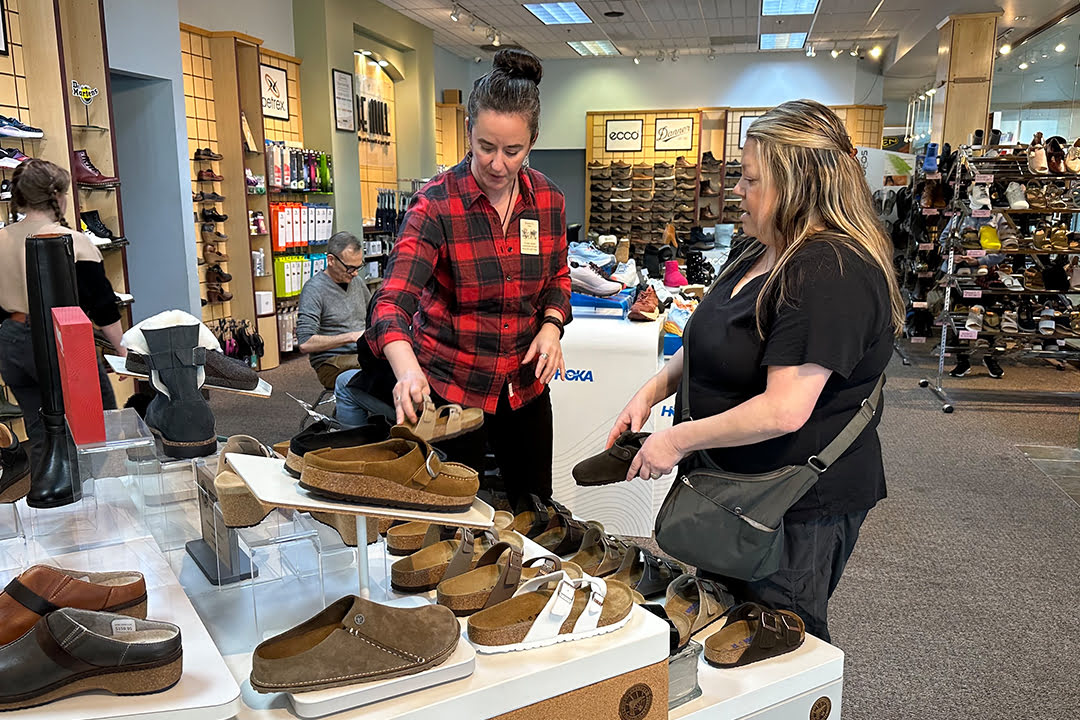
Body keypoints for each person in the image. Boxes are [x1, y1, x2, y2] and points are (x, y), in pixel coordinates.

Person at [608, 100, 904, 643]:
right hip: (733, 491)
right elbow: (708, 336)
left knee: (779, 636)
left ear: (796, 186)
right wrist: (653, 389)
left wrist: (675, 440)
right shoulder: (760, 248)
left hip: (791, 504)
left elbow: (785, 408)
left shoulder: (828, 272)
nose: (736, 191)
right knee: (720, 624)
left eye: (749, 179)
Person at [366, 48, 571, 511]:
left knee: (536, 511)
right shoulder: (436, 204)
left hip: (525, 387)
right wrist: (406, 370)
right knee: (452, 517)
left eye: (512, 151)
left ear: (533, 141)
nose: (497, 164)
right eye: (485, 147)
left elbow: (558, 275)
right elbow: (392, 301)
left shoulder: (549, 200)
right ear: (467, 132)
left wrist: (552, 325)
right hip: (452, 389)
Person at [0, 159, 125, 467]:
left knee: (40, 428)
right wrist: (121, 350)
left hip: (11, 341)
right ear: (57, 196)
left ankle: (52, 499)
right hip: (61, 339)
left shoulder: (1, 240)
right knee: (94, 425)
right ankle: (88, 499)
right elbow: (103, 306)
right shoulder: (74, 241)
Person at [296, 231, 371, 389]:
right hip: (331, 364)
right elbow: (305, 343)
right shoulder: (314, 290)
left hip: (361, 355)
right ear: (331, 260)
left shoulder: (356, 282)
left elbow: (373, 316)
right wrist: (351, 337)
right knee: (381, 375)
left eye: (358, 267)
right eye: (350, 268)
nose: (355, 273)